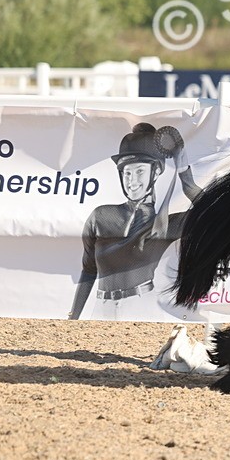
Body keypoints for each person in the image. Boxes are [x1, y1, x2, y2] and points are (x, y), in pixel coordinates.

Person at [69, 123, 202, 319]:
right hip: (100, 308)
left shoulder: (167, 224)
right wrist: (73, 317)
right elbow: (89, 270)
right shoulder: (101, 216)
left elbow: (210, 213)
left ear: (156, 171)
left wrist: (184, 173)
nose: (132, 181)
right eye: (127, 173)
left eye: (139, 171)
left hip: (141, 306)